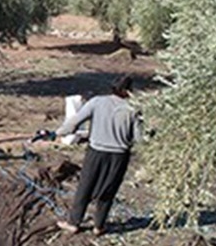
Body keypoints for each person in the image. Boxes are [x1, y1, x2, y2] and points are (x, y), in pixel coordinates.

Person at [50, 75, 145, 236]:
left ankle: (73, 223)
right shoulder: (133, 109)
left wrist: (56, 133)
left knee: (85, 187)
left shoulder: (97, 102)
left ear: (113, 88)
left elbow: (73, 123)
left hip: (96, 153)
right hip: (119, 156)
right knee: (108, 189)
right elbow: (139, 138)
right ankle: (99, 226)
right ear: (129, 91)